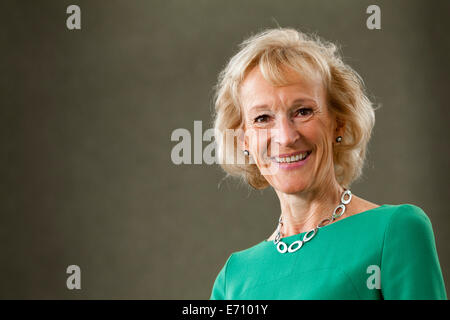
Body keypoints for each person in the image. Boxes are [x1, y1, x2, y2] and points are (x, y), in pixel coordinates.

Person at [209, 28, 447, 299]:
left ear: (339, 123)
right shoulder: (234, 278)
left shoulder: (395, 232)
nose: (286, 137)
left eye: (303, 111)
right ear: (243, 139)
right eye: (263, 118)